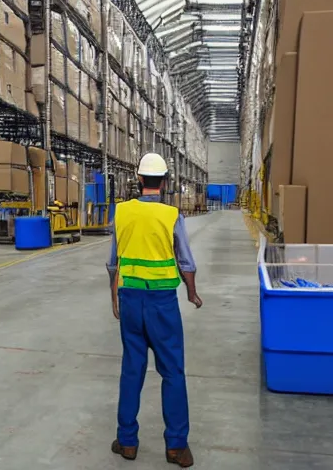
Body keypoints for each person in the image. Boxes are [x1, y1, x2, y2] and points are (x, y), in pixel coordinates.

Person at [106, 153, 202, 468]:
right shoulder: (171, 215)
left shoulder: (121, 212)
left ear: (138, 180)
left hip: (130, 300)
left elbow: (113, 262)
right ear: (164, 181)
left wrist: (114, 296)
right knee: (172, 371)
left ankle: (128, 442)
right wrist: (192, 292)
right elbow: (186, 262)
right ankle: (176, 447)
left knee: (132, 370)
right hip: (162, 304)